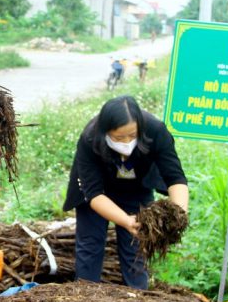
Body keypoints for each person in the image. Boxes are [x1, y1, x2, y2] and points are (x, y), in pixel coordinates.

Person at [62, 95, 189, 289]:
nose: (127, 142)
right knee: (90, 245)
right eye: (119, 137)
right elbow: (94, 194)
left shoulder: (155, 130)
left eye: (132, 135)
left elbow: (175, 178)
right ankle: (85, 296)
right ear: (105, 131)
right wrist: (125, 220)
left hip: (136, 188)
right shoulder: (90, 138)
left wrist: (179, 214)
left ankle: (137, 298)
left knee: (136, 246)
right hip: (97, 191)